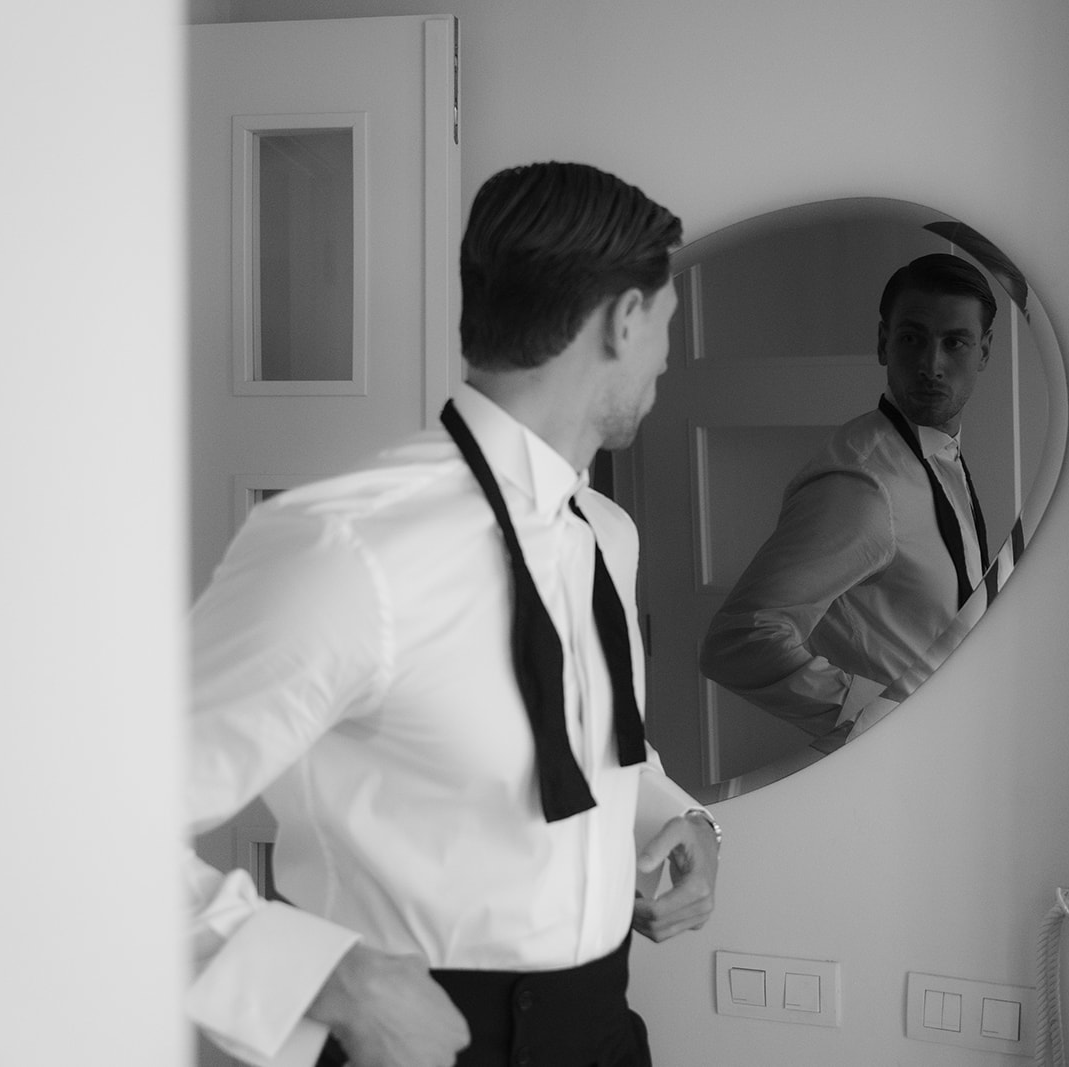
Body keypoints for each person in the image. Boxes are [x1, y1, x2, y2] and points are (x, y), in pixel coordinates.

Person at [185, 161, 721, 1067]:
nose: (666, 355)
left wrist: (685, 823)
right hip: (416, 1038)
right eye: (666, 322)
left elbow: (582, 735)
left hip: (602, 1027)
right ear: (625, 320)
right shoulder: (348, 551)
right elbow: (85, 819)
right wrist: (330, 980)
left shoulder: (603, 536)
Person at [700, 253, 996, 738]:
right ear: (884, 343)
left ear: (984, 351)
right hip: (895, 760)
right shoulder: (863, 483)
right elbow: (739, 642)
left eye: (955, 343)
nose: (931, 364)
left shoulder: (937, 455)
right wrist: (879, 718)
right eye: (912, 339)